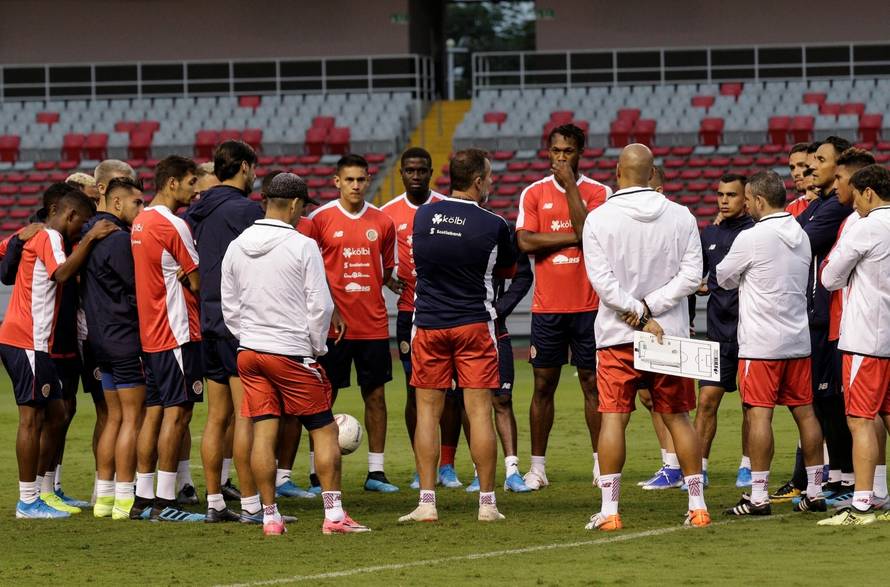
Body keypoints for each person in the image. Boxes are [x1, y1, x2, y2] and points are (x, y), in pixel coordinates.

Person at [221, 172, 370, 535]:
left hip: (250, 352)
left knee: (264, 433)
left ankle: (269, 517)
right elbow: (320, 305)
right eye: (302, 207)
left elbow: (229, 305)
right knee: (323, 431)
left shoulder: (237, 245)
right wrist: (316, 348)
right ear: (292, 205)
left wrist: (250, 336)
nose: (303, 214)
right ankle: (334, 516)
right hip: (291, 352)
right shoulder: (302, 245)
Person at [582, 144, 708, 531]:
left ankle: (610, 511)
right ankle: (698, 506)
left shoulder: (599, 218)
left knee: (614, 420)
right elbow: (692, 276)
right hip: (666, 333)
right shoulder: (681, 215)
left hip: (617, 333)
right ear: (652, 173)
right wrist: (653, 308)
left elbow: (602, 284)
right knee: (679, 418)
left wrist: (637, 311)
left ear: (618, 171)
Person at [400, 148, 515, 523]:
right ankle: (487, 504)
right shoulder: (493, 224)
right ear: (479, 181)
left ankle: (427, 502)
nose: (493, 183)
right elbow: (508, 269)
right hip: (473, 325)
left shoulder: (423, 215)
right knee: (479, 411)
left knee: (427, 414)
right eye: (491, 177)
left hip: (430, 323)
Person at [0, 190, 117, 518]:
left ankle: (44, 492)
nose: (82, 227)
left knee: (56, 414)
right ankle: (27, 501)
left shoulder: (40, 236)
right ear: (64, 214)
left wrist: (19, 235)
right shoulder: (50, 235)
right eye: (80, 220)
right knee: (32, 418)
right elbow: (62, 273)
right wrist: (91, 239)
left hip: (29, 341)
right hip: (28, 341)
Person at [516, 123, 611, 490]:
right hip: (548, 308)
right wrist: (576, 236)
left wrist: (571, 187)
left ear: (580, 153)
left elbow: (595, 236)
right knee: (543, 385)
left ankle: (601, 465)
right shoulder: (534, 193)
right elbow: (525, 242)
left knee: (592, 384)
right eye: (555, 151)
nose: (560, 158)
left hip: (589, 306)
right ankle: (537, 467)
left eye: (567, 151)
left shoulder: (599, 191)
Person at [308, 154, 399, 493]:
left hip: (373, 325)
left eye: (361, 179)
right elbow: (310, 273)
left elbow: (387, 270)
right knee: (321, 399)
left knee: (375, 395)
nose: (356, 186)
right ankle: (317, 472)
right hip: (331, 329)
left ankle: (376, 472)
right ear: (337, 181)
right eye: (350, 180)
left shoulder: (383, 222)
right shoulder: (319, 220)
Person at [185, 141, 265, 521]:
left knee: (217, 417)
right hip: (239, 321)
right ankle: (251, 505)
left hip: (208, 321)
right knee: (247, 413)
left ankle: (215, 501)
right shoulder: (247, 210)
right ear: (245, 167)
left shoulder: (195, 210)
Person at [380, 147, 463, 490]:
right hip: (409, 312)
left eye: (421, 170)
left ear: (432, 172)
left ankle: (447, 464)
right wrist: (388, 278)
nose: (415, 176)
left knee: (453, 392)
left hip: (447, 311)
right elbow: (381, 260)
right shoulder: (388, 214)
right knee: (416, 391)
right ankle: (421, 466)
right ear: (401, 173)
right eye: (409, 170)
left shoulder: (447, 209)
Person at [131, 155, 205, 522]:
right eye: (192, 181)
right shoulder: (174, 224)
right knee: (179, 415)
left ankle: (143, 500)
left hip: (152, 334)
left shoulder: (140, 221)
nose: (195, 189)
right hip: (177, 332)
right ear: (172, 182)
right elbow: (197, 279)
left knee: (154, 413)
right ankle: (166, 502)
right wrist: (190, 275)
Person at [820, 164, 890, 525]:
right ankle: (879, 493)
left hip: (867, 338)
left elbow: (830, 277)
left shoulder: (866, 225)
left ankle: (862, 502)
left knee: (860, 419)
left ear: (868, 193)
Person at [80, 177, 148, 519]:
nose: (142, 209)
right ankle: (124, 499)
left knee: (113, 419)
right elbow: (134, 287)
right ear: (118, 203)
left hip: (99, 339)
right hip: (124, 337)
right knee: (132, 419)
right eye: (137, 203)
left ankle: (104, 499)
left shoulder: (89, 231)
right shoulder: (119, 239)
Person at [796, 136, 855, 507]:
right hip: (818, 318)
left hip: (833, 319)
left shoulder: (835, 209)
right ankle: (838, 476)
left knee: (834, 400)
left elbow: (796, 239)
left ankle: (849, 477)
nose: (810, 167)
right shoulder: (821, 205)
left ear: (839, 167)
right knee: (823, 400)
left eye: (819, 159)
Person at [695, 174, 755, 488]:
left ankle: (747, 467)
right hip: (717, 334)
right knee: (706, 401)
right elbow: (698, 276)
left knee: (751, 405)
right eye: (720, 194)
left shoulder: (757, 233)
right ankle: (699, 469)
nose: (724, 200)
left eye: (731, 195)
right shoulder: (709, 234)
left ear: (747, 199)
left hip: (750, 335)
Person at [465, 227, 534, 493]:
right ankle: (477, 472)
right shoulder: (456, 236)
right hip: (466, 329)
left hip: (497, 329)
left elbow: (523, 275)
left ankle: (512, 472)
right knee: (473, 402)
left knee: (502, 399)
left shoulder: (498, 230)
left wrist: (500, 307)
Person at [786, 143, 814, 216]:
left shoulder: (835, 202)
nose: (795, 173)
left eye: (801, 165)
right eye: (792, 168)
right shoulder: (791, 208)